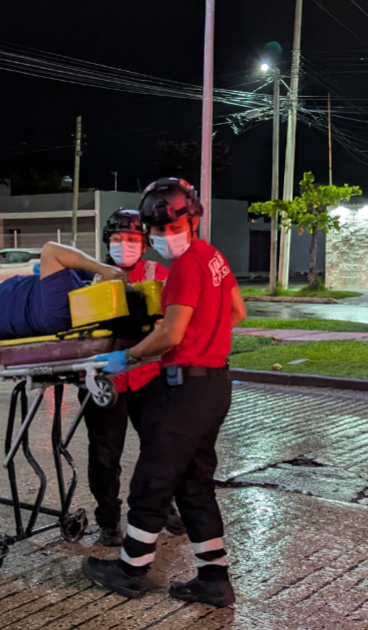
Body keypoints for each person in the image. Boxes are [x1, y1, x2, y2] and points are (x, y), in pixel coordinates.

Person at [82, 178, 246, 608]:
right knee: (194, 485)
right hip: (215, 384)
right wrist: (208, 338)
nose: (163, 237)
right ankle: (214, 579)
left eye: (167, 228)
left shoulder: (186, 268)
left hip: (183, 388)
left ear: (191, 222)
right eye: (157, 230)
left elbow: (170, 333)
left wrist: (129, 357)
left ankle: (130, 570)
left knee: (151, 482)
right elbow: (236, 311)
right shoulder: (213, 257)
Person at [82, 209, 182, 546]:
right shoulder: (92, 278)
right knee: (104, 454)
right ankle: (108, 519)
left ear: (144, 242)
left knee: (159, 447)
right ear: (107, 241)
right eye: (117, 238)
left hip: (148, 375)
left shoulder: (159, 273)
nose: (124, 244)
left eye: (132, 239)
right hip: (104, 378)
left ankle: (162, 508)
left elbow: (173, 324)